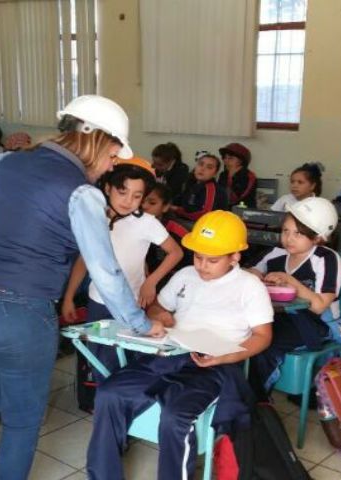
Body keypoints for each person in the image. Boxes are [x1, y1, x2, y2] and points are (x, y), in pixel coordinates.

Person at [0, 95, 165, 480]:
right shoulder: (83, 194)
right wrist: (139, 324)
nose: (113, 163)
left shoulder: (11, 161)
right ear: (96, 138)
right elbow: (105, 270)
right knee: (21, 421)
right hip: (18, 313)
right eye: (115, 152)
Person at [86, 210, 273, 480]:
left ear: (235, 256)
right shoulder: (186, 275)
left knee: (176, 417)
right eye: (198, 256)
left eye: (212, 260)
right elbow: (158, 307)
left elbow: (262, 336)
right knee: (109, 394)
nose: (202, 266)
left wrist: (225, 357)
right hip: (170, 353)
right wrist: (160, 315)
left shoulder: (249, 286)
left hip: (215, 364)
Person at [61, 158, 183, 374]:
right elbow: (84, 260)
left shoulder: (146, 222)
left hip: (131, 303)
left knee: (126, 360)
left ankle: (121, 403)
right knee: (98, 360)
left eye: (137, 196)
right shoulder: (94, 217)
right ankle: (100, 401)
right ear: (108, 188)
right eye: (122, 192)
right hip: (98, 301)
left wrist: (151, 282)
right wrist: (70, 296)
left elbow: (176, 252)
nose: (129, 201)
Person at [248, 197, 341, 400]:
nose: (289, 239)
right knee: (241, 333)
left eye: (298, 234)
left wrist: (291, 282)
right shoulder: (276, 253)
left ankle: (257, 400)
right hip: (280, 317)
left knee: (264, 344)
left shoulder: (326, 259)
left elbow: (319, 306)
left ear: (317, 238)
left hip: (315, 323)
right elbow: (251, 272)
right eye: (286, 231)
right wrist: (255, 276)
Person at [143, 183, 192, 288]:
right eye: (140, 200)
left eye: (152, 203)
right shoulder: (132, 223)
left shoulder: (179, 232)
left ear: (165, 207)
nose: (144, 206)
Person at [172, 151, 227, 221]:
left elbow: (204, 215)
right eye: (200, 164)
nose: (202, 169)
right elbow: (178, 200)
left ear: (215, 174)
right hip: (186, 221)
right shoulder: (192, 184)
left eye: (209, 167)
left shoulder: (212, 189)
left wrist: (177, 210)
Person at [220, 142, 257, 208]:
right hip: (225, 211)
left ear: (241, 160)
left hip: (244, 212)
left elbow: (235, 198)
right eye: (225, 157)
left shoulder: (249, 176)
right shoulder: (223, 175)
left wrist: (231, 177)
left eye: (230, 158)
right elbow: (219, 194)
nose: (226, 161)